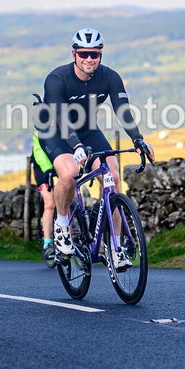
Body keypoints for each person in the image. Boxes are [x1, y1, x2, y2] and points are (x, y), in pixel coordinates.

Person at [36, 28, 154, 269]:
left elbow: (123, 110)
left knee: (113, 178)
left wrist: (138, 140)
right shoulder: (57, 79)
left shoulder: (110, 77)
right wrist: (76, 146)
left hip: (88, 130)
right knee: (68, 172)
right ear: (74, 54)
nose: (89, 59)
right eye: (84, 54)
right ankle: (61, 225)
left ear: (101, 55)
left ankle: (116, 248)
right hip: (55, 132)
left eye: (94, 54)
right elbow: (60, 117)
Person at [31, 132, 56, 262]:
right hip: (42, 165)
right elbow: (39, 150)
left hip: (59, 162)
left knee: (67, 199)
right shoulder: (43, 121)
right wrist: (47, 169)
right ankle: (47, 243)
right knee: (50, 202)